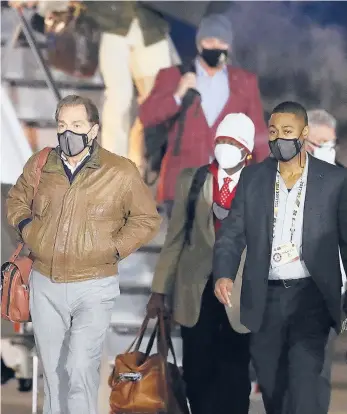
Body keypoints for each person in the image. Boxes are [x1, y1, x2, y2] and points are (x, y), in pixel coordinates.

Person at [6, 95, 161, 414]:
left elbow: (147, 219)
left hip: (94, 285)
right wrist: (29, 229)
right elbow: (17, 200)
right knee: (54, 376)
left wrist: (113, 248)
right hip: (45, 283)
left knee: (79, 369)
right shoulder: (42, 164)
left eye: (76, 125)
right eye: (62, 125)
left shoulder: (119, 171)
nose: (67, 133)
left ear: (93, 130)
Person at [213, 101, 347, 414]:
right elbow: (233, 232)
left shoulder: (334, 180)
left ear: (303, 134)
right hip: (265, 295)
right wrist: (224, 272)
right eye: (273, 132)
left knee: (304, 382)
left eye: (287, 132)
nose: (279, 139)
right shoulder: (254, 179)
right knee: (274, 387)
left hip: (310, 295)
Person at [147, 113, 255, 414]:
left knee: (234, 372)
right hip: (195, 291)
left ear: (246, 151)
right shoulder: (193, 180)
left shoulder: (259, 184)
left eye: (233, 142)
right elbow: (175, 239)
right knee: (196, 371)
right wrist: (160, 290)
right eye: (222, 139)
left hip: (241, 292)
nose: (226, 146)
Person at [139, 12, 268, 218]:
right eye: (209, 40)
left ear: (229, 46)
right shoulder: (173, 76)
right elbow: (147, 115)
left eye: (221, 41)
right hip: (182, 184)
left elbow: (258, 134)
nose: (215, 46)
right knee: (184, 248)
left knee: (221, 248)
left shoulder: (245, 82)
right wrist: (177, 95)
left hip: (229, 186)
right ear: (199, 45)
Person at [84, 1, 172, 158]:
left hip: (151, 25)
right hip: (112, 24)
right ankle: (115, 162)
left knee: (157, 99)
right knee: (119, 97)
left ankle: (143, 159)